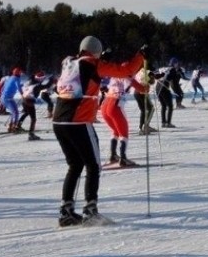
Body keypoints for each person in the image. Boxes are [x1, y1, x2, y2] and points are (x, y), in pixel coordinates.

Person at [54, 36, 145, 227]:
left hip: (59, 121)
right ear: (96, 52)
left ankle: (66, 211)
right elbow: (125, 70)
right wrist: (140, 56)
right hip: (78, 121)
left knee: (75, 165)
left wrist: (101, 58)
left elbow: (86, 71)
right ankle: (90, 211)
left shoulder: (70, 62)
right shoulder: (93, 64)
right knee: (93, 165)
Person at [101, 75, 139, 167]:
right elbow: (140, 87)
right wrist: (146, 87)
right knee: (123, 132)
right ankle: (123, 158)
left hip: (105, 105)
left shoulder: (114, 74)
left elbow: (104, 86)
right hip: (115, 105)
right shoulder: (127, 75)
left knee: (115, 131)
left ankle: (113, 156)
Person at [19, 71, 52, 140]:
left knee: (26, 113)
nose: (43, 79)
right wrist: (51, 80)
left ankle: (18, 124)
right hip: (29, 101)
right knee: (33, 119)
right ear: (39, 78)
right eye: (42, 78)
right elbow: (46, 86)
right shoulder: (37, 85)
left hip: (24, 99)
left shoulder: (30, 81)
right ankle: (31, 134)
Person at [1, 68, 25, 133]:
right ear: (18, 73)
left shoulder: (10, 78)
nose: (21, 74)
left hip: (5, 98)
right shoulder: (16, 79)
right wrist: (22, 94)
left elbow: (3, 87)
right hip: (7, 98)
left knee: (14, 112)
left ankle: (11, 125)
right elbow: (18, 86)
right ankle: (14, 126)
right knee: (15, 112)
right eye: (20, 73)